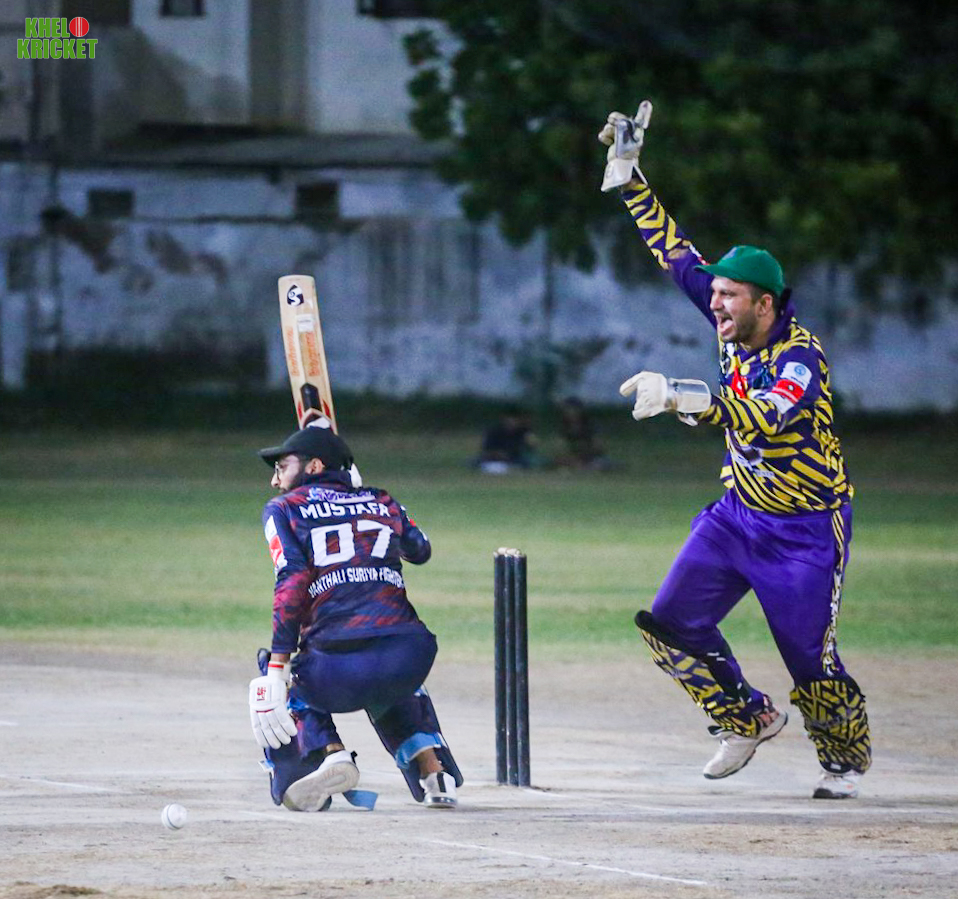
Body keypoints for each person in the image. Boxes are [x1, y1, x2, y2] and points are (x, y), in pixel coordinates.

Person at [599, 104, 871, 799]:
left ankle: (842, 760)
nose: (715, 304)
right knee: (669, 625)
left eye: (730, 296)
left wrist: (682, 397)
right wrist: (630, 179)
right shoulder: (729, 319)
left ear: (766, 303)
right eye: (715, 294)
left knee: (810, 660)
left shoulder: (800, 357)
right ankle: (746, 717)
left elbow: (768, 416)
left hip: (806, 529)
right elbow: (675, 253)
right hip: (738, 515)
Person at [247, 424, 462, 811]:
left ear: (313, 466)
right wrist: (369, 501)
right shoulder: (381, 500)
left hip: (336, 669)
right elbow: (420, 550)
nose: (275, 480)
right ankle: (435, 774)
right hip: (409, 656)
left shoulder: (284, 508)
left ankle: (330, 754)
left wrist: (277, 665)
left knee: (280, 672)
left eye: (282, 467)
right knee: (388, 675)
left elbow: (292, 579)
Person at [475, 405, 542, 473]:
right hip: (494, 458)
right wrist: (498, 454)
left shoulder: (524, 432)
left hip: (514, 458)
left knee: (530, 462)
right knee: (477, 461)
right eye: (509, 419)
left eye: (514, 419)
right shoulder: (494, 431)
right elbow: (487, 448)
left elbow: (531, 448)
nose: (511, 422)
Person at [555, 396, 612, 470]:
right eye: (568, 410)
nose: (571, 413)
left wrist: (585, 451)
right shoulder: (564, 427)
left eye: (573, 409)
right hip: (573, 457)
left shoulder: (589, 425)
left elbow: (598, 446)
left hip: (591, 457)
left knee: (599, 463)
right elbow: (560, 447)